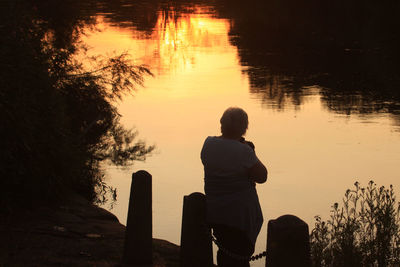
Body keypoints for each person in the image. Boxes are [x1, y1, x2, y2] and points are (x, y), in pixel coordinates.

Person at [200, 107, 268, 267]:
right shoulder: (244, 151)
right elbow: (262, 176)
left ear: (222, 124)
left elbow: (224, 161)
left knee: (225, 253)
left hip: (216, 213)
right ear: (244, 128)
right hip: (240, 217)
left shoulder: (208, 144)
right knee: (239, 257)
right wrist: (251, 151)